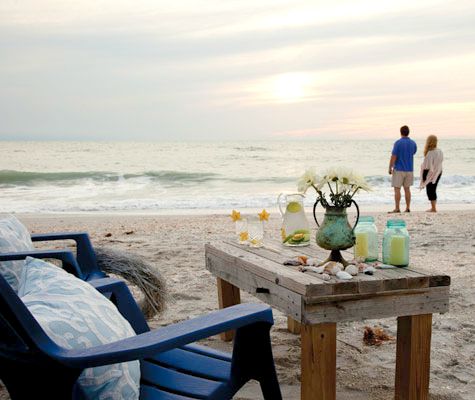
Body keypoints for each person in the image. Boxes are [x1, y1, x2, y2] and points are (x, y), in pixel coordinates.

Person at [388, 125, 417, 213]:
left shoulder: (398, 143)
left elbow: (394, 156)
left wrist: (390, 167)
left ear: (401, 132)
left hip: (399, 169)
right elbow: (414, 152)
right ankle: (408, 207)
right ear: (408, 132)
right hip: (409, 169)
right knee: (407, 189)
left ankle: (397, 208)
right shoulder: (413, 143)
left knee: (397, 189)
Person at [420, 135, 443, 212]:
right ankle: (433, 207)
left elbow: (426, 167)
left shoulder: (430, 153)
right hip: (439, 172)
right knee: (433, 189)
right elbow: (440, 162)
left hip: (431, 174)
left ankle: (433, 208)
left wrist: (423, 178)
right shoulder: (440, 151)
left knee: (430, 191)